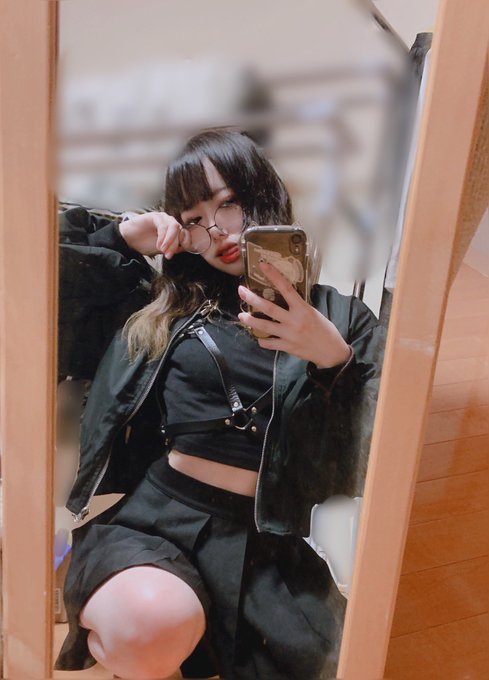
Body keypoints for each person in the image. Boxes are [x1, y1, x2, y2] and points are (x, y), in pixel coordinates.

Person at [55, 129, 384, 680]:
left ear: (264, 194)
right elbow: (37, 292)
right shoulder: (161, 309)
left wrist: (335, 361)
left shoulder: (345, 321)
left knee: (344, 661)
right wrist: (120, 239)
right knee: (150, 622)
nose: (216, 231)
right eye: (193, 219)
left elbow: (371, 458)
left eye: (228, 203)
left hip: (269, 542)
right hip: (159, 520)